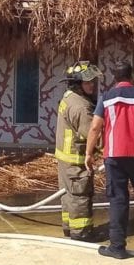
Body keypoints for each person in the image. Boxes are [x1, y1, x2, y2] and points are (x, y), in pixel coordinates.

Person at [85, 61, 134, 259]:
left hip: (114, 157)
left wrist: (88, 153)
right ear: (132, 76)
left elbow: (95, 127)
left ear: (115, 78)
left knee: (118, 199)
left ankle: (117, 247)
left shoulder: (106, 98)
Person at [55, 61, 103, 242]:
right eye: (87, 82)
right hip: (76, 161)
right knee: (80, 197)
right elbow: (94, 136)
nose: (92, 85)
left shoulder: (69, 97)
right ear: (77, 84)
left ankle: (69, 229)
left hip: (65, 160)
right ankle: (82, 233)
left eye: (93, 81)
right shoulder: (81, 107)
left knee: (68, 196)